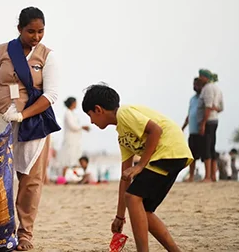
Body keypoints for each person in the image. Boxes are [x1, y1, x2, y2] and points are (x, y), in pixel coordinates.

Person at [0, 7, 60, 251]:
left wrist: (23, 114)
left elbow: (51, 95)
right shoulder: (1, 51)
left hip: (33, 125)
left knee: (31, 182)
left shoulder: (48, 56)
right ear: (19, 29)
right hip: (1, 123)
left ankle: (25, 234)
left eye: (41, 31)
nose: (36, 37)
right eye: (31, 31)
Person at [81, 84, 192, 252]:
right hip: (172, 154)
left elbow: (156, 130)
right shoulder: (122, 136)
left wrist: (140, 165)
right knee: (144, 211)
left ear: (98, 109)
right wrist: (120, 216)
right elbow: (125, 177)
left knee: (133, 197)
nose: (91, 121)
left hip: (169, 150)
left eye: (90, 115)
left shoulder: (124, 113)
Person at [197, 69, 224, 182]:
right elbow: (221, 107)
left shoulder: (207, 88)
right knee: (212, 146)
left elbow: (208, 106)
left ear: (205, 77)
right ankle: (213, 175)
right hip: (214, 120)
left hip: (208, 121)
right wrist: (214, 108)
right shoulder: (217, 88)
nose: (199, 79)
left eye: (201, 76)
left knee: (207, 148)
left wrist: (203, 123)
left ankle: (208, 176)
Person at [56, 97, 89, 175]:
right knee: (68, 157)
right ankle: (64, 175)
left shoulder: (72, 113)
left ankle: (74, 175)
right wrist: (82, 127)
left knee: (75, 156)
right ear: (72, 103)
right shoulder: (68, 113)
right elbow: (72, 126)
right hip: (70, 139)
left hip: (75, 139)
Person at [181, 77, 204, 182]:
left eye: (196, 85)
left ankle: (209, 175)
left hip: (201, 130)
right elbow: (189, 114)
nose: (195, 87)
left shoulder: (203, 98)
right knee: (192, 155)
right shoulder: (192, 99)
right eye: (193, 85)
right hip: (192, 131)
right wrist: (183, 127)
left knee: (205, 154)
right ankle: (191, 176)